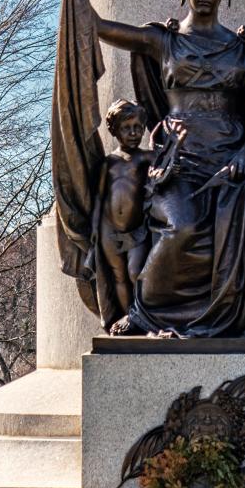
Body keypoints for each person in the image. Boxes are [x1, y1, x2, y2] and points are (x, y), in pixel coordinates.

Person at [90, 0, 245, 337]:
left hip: (236, 158)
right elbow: (100, 27)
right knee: (183, 226)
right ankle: (147, 310)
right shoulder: (163, 40)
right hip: (181, 162)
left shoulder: (242, 51)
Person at [91, 100, 151, 329]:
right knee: (118, 276)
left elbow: (165, 167)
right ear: (114, 130)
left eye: (138, 127)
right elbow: (99, 196)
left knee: (136, 272)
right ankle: (128, 317)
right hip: (109, 229)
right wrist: (96, 228)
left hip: (137, 229)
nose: (134, 133)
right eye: (127, 128)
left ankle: (141, 315)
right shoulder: (109, 163)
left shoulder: (146, 158)